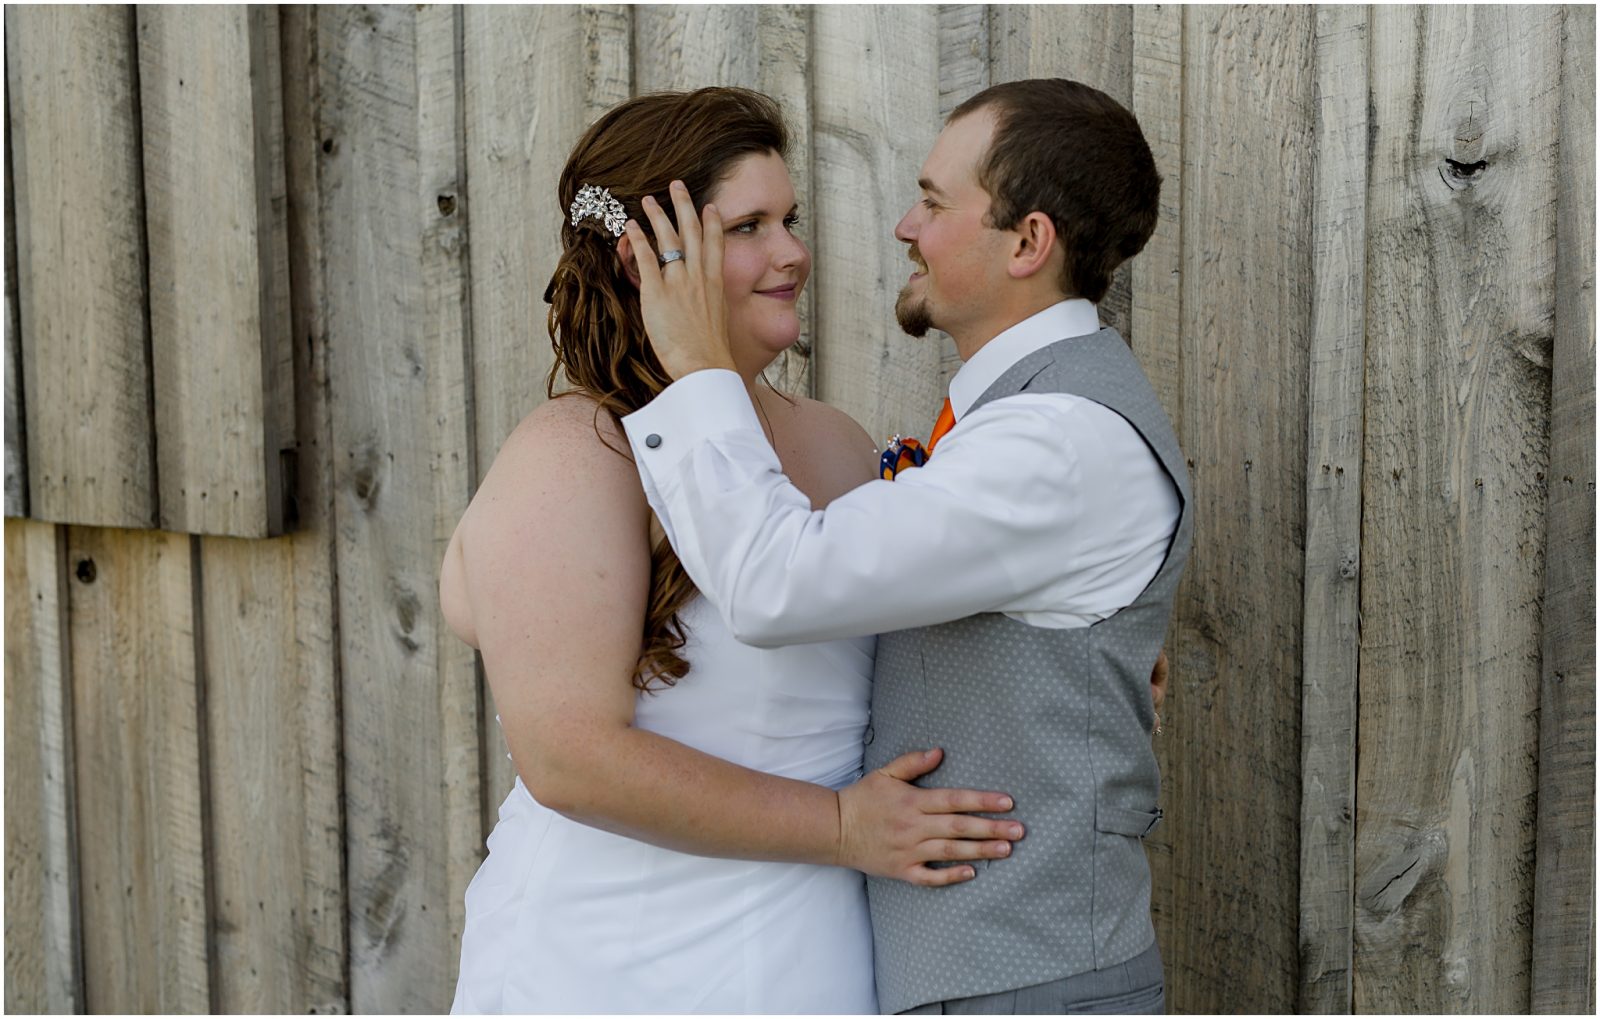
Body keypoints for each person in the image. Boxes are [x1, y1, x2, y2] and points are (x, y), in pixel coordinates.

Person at [439, 87, 1026, 1014]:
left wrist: (1071, 652)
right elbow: (570, 758)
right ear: (649, 255)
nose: (793, 251)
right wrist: (839, 824)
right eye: (749, 225)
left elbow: (906, 645)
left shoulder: (836, 442)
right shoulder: (577, 453)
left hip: (811, 954)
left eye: (789, 219)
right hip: (611, 960)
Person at [622, 78, 1189, 1015]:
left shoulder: (1053, 442)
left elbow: (776, 584)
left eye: (933, 201)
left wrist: (696, 371)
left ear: (1027, 242)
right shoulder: (1022, 422)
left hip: (1027, 980)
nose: (903, 226)